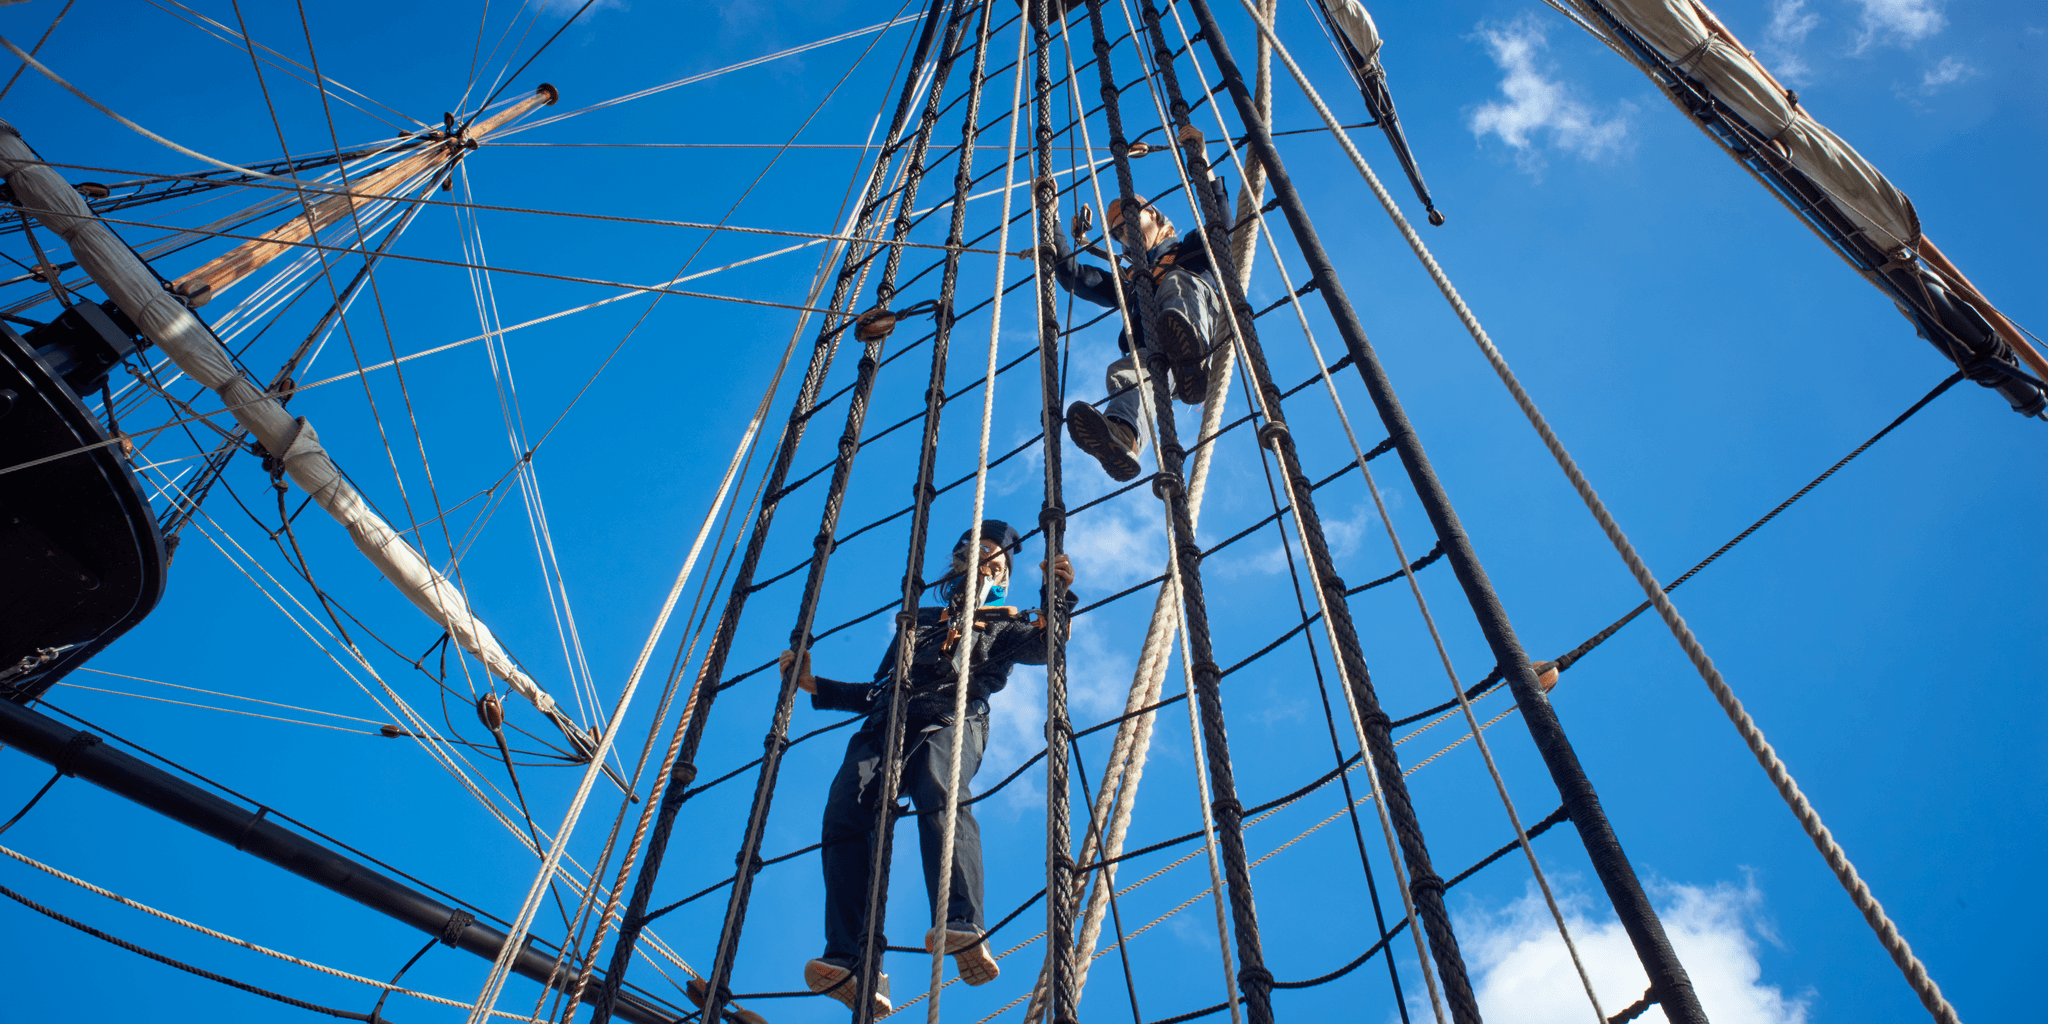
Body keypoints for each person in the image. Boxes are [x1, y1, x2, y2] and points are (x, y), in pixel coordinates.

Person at [779, 520, 1077, 1016]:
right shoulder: (918, 622)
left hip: (952, 716)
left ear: (1004, 574)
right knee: (844, 814)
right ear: (958, 564)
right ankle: (854, 962)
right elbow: (881, 690)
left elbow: (1048, 647)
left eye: (997, 558)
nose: (986, 561)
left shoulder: (1006, 622)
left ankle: (962, 923)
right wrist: (816, 686)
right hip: (884, 726)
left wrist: (1057, 595)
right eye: (975, 553)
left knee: (938, 791)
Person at [1026, 124, 1230, 482]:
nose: (1124, 232)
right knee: (1125, 373)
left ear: (1158, 218)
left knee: (1177, 284)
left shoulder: (1188, 251)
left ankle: (1189, 353)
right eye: (1118, 231)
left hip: (1194, 321)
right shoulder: (1129, 282)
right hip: (1156, 355)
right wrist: (1051, 216)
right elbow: (1074, 275)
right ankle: (1122, 436)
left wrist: (1201, 158)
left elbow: (1220, 222)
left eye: (1132, 217)